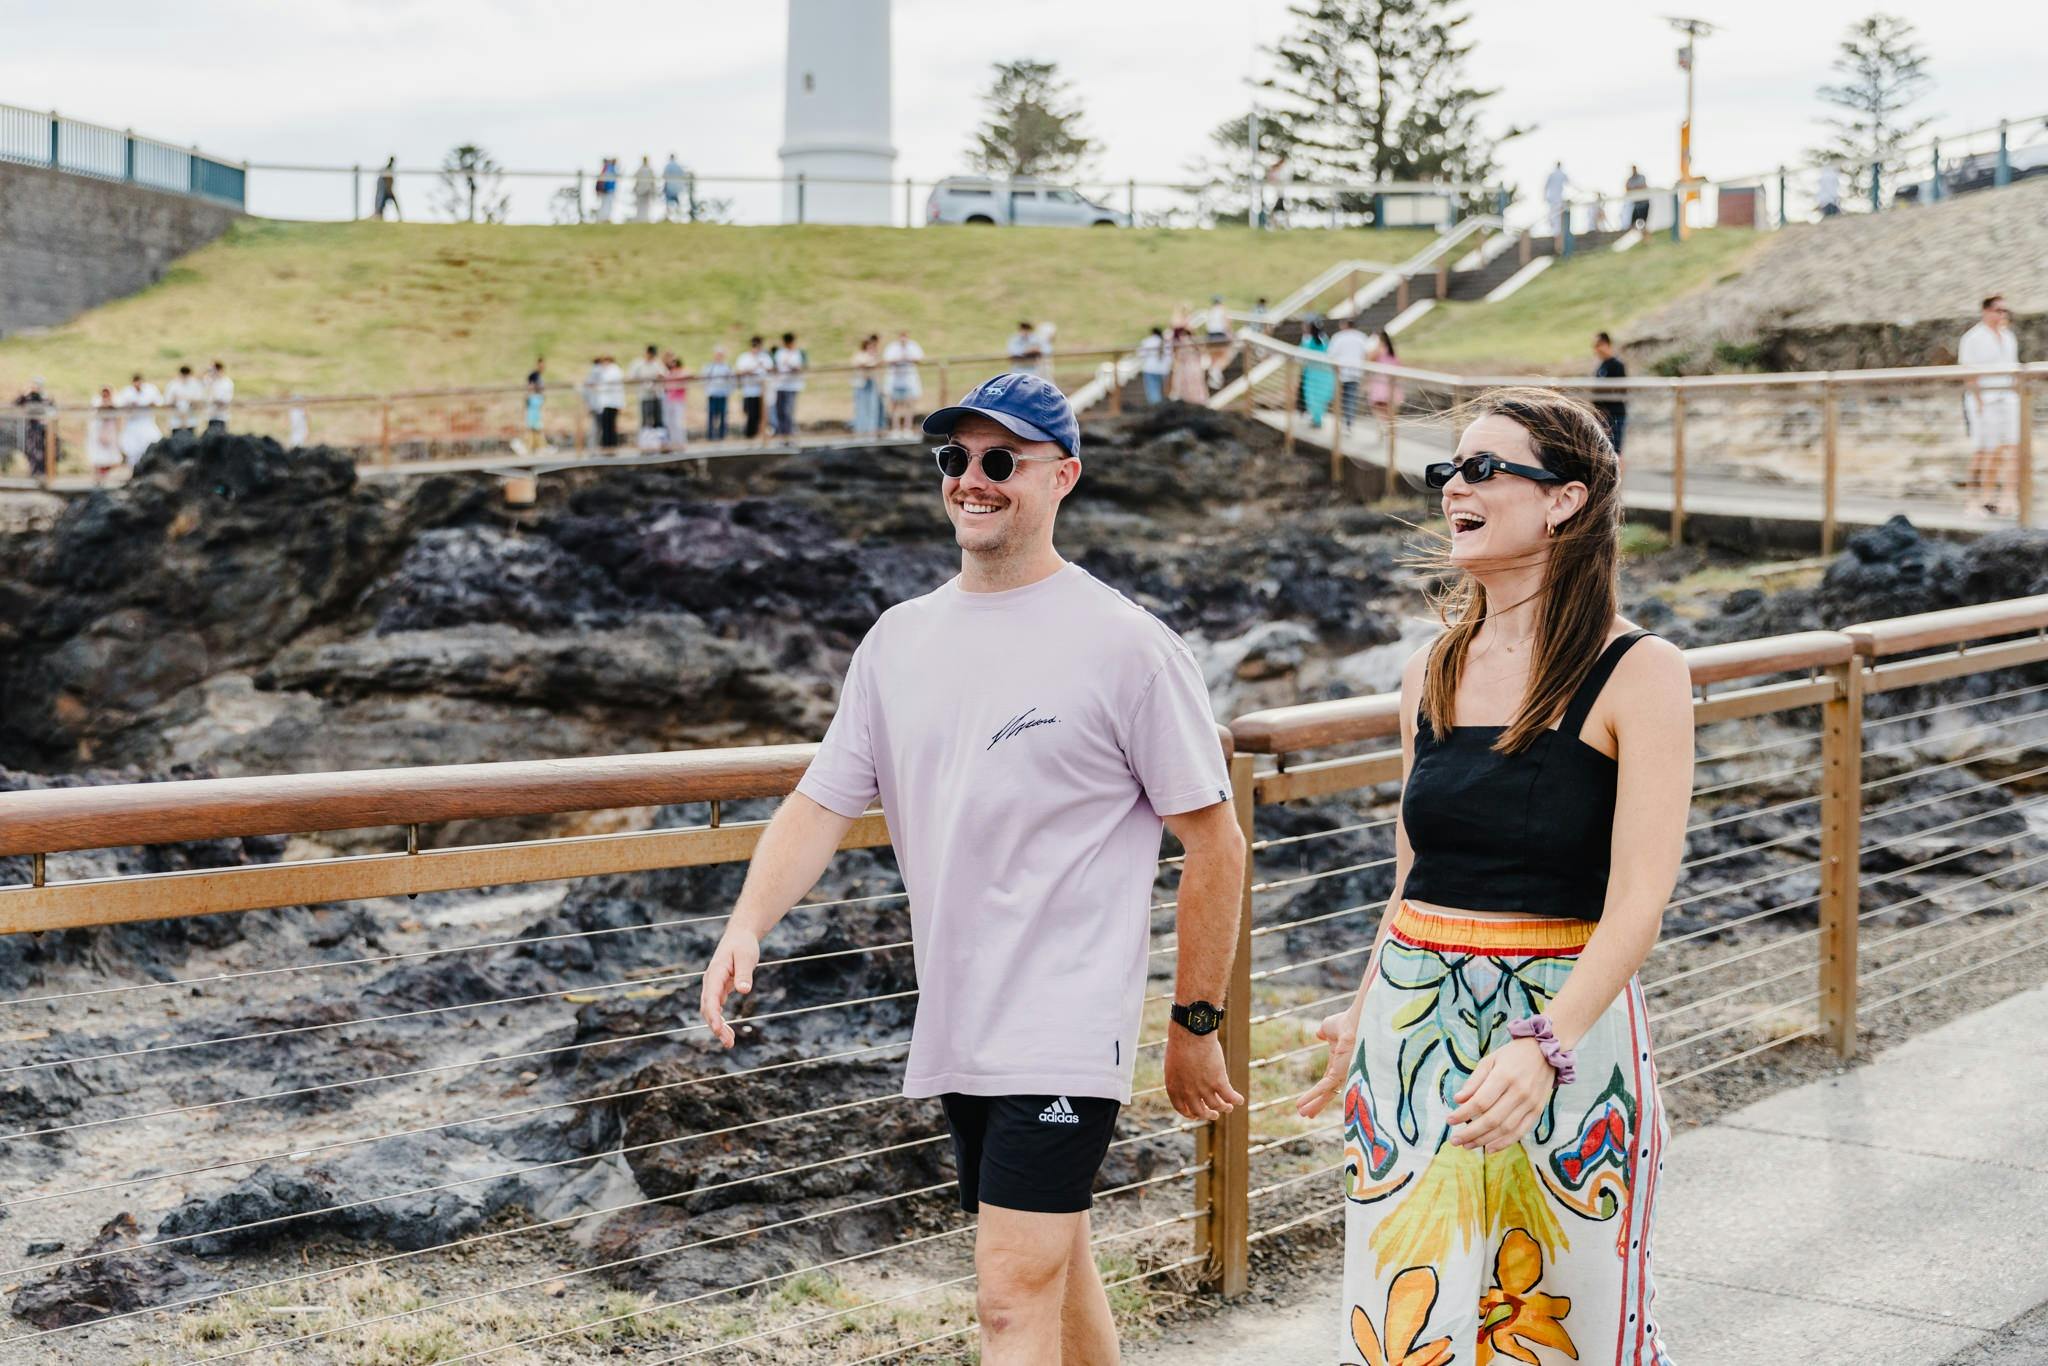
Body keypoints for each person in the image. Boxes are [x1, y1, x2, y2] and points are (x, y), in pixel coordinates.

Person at [697, 371, 1245, 1366]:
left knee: (1005, 1300)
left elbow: (1214, 838)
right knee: (1053, 1277)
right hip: (959, 1015)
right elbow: (821, 802)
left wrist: (1194, 1022)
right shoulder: (899, 639)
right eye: (955, 459)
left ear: (1060, 477)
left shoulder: (1124, 644)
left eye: (1001, 461)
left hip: (1065, 1020)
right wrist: (747, 925)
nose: (973, 480)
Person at [1296, 387, 1693, 1365]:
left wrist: (1541, 1047)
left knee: (1556, 1329)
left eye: (1480, 468)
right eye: (1447, 470)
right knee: (1406, 1328)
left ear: (1561, 499)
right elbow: (1411, 870)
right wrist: (1361, 1014)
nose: (1451, 488)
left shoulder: (1638, 671)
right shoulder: (1432, 667)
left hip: (1565, 1032)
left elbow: (1638, 899)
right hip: (1412, 1033)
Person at [1959, 294, 2021, 517]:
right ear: (1986, 311)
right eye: (1998, 310)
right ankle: (1973, 500)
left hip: (2008, 399)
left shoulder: (2008, 337)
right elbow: (1969, 373)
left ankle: (2005, 498)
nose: (2002, 315)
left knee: (2011, 449)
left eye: (2005, 311)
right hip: (1984, 401)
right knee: (1983, 452)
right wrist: (1978, 403)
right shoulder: (1973, 338)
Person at [1326, 318, 1372, 426]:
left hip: (1340, 373)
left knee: (1341, 398)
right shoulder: (1361, 337)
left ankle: (1344, 421)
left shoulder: (1338, 337)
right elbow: (1367, 354)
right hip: (1356, 372)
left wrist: (1335, 370)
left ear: (1345, 324)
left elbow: (1331, 355)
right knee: (1351, 397)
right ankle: (1348, 421)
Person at [1592, 332, 1628, 458]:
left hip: (1615, 414)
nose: (1596, 349)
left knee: (1616, 452)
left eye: (1598, 345)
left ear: (1607, 344)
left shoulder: (1617, 364)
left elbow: (1622, 391)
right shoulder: (1601, 366)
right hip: (1602, 414)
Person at [883, 329, 925, 435]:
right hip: (895, 381)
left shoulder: (912, 346)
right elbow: (886, 359)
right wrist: (897, 359)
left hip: (909, 380)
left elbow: (920, 358)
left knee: (909, 405)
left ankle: (907, 428)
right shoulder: (892, 347)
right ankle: (895, 428)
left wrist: (908, 357)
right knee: (895, 405)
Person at [115, 372, 163, 464]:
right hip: (132, 423)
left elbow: (159, 402)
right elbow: (120, 406)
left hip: (147, 422)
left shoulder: (151, 389)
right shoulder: (127, 392)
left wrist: (152, 404)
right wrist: (129, 406)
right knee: (133, 449)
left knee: (150, 444)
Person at [11, 380, 49, 481]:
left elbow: (48, 407)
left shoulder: (42, 397)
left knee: (40, 450)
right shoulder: (28, 397)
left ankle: (40, 472)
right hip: (30, 428)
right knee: (30, 450)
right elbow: (15, 403)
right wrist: (25, 393)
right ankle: (34, 471)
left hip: (40, 427)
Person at [628, 344, 667, 442]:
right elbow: (631, 377)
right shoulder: (638, 364)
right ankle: (645, 441)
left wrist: (659, 378)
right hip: (644, 395)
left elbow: (665, 375)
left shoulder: (657, 364)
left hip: (657, 394)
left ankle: (660, 441)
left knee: (658, 419)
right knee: (646, 419)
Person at [771, 331, 806, 438]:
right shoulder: (780, 353)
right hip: (780, 385)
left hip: (792, 385)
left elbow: (800, 367)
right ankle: (783, 433)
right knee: (780, 410)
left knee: (788, 410)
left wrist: (792, 366)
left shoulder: (797, 353)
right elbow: (776, 366)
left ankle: (789, 432)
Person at [1299, 320, 1333, 427]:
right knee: (1320, 398)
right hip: (1325, 374)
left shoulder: (1308, 341)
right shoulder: (1325, 340)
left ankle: (1316, 419)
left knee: (1313, 397)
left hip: (1312, 374)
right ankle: (1317, 419)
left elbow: (1300, 357)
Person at [1367, 329, 1404, 426]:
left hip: (1381, 382)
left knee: (1379, 406)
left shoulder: (1379, 349)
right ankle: (1388, 427)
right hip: (1390, 382)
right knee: (1388, 408)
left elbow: (1370, 359)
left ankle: (1384, 426)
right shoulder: (1392, 351)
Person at [736, 336, 770, 440]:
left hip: (761, 391)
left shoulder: (764, 357)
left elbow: (770, 369)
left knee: (760, 415)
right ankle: (750, 435)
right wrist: (751, 370)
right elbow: (739, 371)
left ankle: (759, 435)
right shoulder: (744, 357)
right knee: (750, 413)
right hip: (748, 391)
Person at [164, 364, 206, 444]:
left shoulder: (195, 385)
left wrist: (189, 400)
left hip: (190, 421)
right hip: (176, 422)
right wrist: (174, 401)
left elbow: (200, 403)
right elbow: (167, 403)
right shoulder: (173, 385)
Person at [850, 334, 883, 438]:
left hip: (872, 384)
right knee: (861, 409)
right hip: (861, 385)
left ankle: (871, 432)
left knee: (872, 408)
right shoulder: (860, 355)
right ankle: (861, 431)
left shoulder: (874, 356)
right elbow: (858, 363)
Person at [700, 346, 734, 441]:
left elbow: (731, 380)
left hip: (723, 393)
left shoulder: (727, 366)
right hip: (712, 394)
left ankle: (722, 435)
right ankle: (711, 435)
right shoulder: (709, 367)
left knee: (723, 415)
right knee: (712, 415)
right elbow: (704, 379)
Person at [88, 387, 121, 482]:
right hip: (99, 430)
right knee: (98, 457)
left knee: (111, 458)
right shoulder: (97, 402)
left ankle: (104, 476)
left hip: (110, 431)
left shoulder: (115, 402)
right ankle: (98, 477)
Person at [1203, 294, 1233, 389]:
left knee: (1214, 357)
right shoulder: (1222, 310)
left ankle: (1214, 376)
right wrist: (1229, 333)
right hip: (1220, 335)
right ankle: (1216, 374)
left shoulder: (1210, 311)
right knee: (1225, 356)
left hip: (1211, 335)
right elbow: (1226, 323)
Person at [662, 351, 690, 450]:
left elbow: (687, 377)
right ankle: (673, 442)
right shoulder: (669, 373)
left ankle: (681, 442)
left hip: (678, 401)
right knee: (670, 422)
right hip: (669, 400)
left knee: (678, 422)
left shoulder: (682, 372)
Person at [598, 353, 625, 450]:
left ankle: (609, 446)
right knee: (609, 425)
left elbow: (605, 385)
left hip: (610, 402)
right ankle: (609, 445)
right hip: (610, 402)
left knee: (608, 426)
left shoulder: (612, 371)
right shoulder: (612, 371)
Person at [1137, 326, 1170, 405]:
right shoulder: (1164, 342)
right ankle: (1161, 405)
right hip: (1162, 370)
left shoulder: (1147, 341)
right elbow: (1169, 357)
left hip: (1150, 369)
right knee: (1161, 389)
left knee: (1152, 389)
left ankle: (1155, 406)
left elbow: (1140, 354)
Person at [580, 356, 605, 448]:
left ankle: (593, 446)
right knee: (596, 427)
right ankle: (593, 446)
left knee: (595, 427)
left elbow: (585, 391)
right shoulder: (598, 372)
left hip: (594, 404)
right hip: (597, 404)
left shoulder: (591, 373)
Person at [205, 361, 233, 435]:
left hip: (221, 417)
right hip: (210, 416)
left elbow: (226, 401)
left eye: (213, 370)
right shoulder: (209, 381)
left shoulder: (227, 383)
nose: (211, 373)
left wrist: (215, 401)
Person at [1544, 160, 1570, 239]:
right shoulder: (1560, 174)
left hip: (1552, 197)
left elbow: (1545, 186)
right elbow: (1569, 183)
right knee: (1556, 215)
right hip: (1556, 198)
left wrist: (1544, 196)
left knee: (1554, 215)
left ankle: (1555, 232)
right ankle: (1556, 232)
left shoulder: (1553, 174)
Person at [525, 358, 547, 451]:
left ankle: (538, 446)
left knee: (537, 427)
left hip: (537, 402)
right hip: (533, 403)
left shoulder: (539, 376)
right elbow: (530, 386)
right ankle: (531, 447)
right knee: (533, 427)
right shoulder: (534, 375)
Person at [662, 153, 688, 221]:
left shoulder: (668, 166)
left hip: (670, 187)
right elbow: (683, 175)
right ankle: (679, 216)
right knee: (677, 202)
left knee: (668, 203)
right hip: (676, 188)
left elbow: (664, 176)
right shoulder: (678, 166)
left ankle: (668, 216)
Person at [373, 156, 401, 221]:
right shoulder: (386, 169)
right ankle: (379, 217)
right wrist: (387, 190)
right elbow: (386, 181)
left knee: (394, 204)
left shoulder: (390, 169)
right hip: (385, 191)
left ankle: (399, 218)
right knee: (380, 206)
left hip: (388, 191)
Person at [632, 157, 658, 224]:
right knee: (643, 205)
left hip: (643, 190)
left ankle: (643, 219)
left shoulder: (642, 169)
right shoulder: (648, 169)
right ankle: (642, 219)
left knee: (643, 205)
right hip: (644, 190)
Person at [594, 158, 619, 223]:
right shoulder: (609, 169)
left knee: (605, 205)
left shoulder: (607, 168)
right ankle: (603, 219)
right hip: (607, 191)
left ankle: (604, 218)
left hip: (607, 190)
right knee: (606, 205)